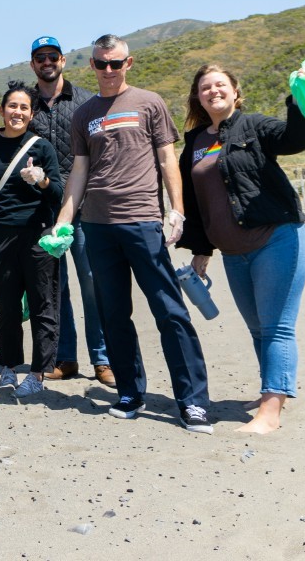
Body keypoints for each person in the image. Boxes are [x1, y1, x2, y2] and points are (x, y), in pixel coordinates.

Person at [55, 35, 214, 433]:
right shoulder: (84, 114)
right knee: (114, 314)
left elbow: (166, 159)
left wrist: (176, 210)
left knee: (170, 311)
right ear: (90, 65)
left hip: (143, 221)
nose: (107, 70)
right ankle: (129, 391)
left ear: (129, 63)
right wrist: (64, 219)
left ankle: (192, 402)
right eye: (100, 63)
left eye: (115, 63)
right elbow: (79, 171)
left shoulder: (149, 102)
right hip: (97, 226)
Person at [177, 63, 305, 434]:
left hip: (277, 239)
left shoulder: (254, 125)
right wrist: (201, 249)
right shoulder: (193, 143)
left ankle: (271, 410)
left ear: (235, 91)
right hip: (234, 252)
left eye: (221, 85)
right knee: (257, 328)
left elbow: (296, 139)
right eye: (205, 87)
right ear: (198, 97)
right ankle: (269, 392)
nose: (213, 91)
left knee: (276, 328)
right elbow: (195, 200)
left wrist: (297, 98)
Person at [0, 82, 64, 398]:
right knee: (6, 308)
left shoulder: (41, 147)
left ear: (31, 113)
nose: (17, 112)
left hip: (37, 236)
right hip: (0, 236)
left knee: (41, 304)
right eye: (12, 106)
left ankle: (38, 372)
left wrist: (42, 180)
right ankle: (8, 368)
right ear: (2, 110)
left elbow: (58, 193)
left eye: (23, 107)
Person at [25, 37, 113, 387]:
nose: (46, 62)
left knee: (93, 283)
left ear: (63, 60)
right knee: (54, 288)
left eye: (52, 56)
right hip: (42, 210)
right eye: (39, 57)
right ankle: (65, 357)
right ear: (32, 64)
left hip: (84, 208)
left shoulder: (85, 103)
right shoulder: (25, 105)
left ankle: (103, 359)